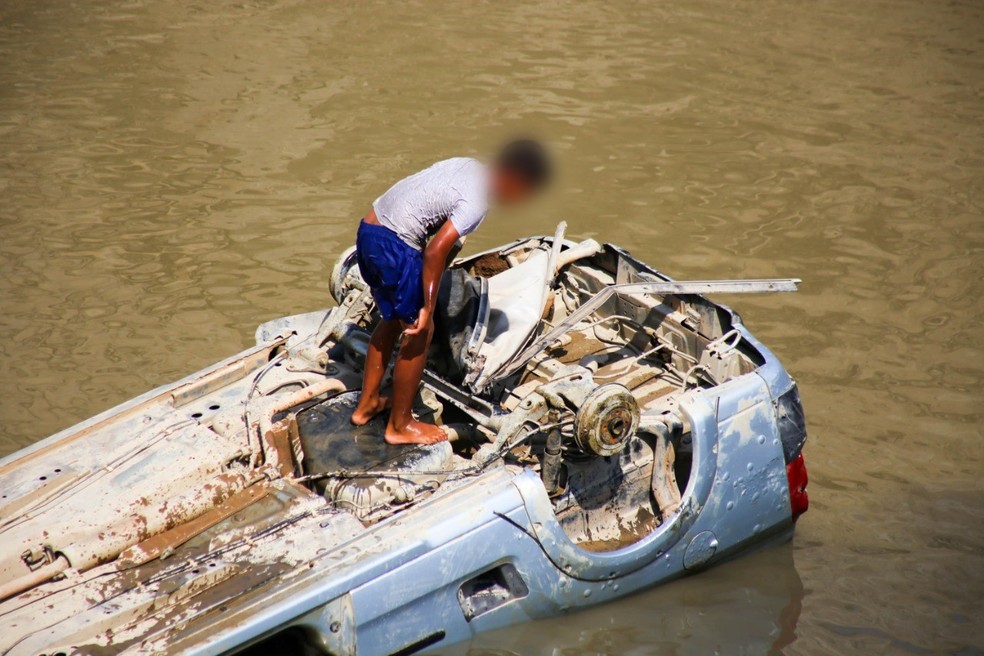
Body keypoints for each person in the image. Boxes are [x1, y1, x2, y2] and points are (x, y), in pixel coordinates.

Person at [351, 140, 552, 445]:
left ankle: (366, 406)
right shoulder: (478, 202)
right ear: (515, 180)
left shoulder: (469, 166)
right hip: (395, 244)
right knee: (420, 331)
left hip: (370, 230)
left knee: (392, 320)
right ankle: (400, 426)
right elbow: (434, 253)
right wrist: (428, 307)